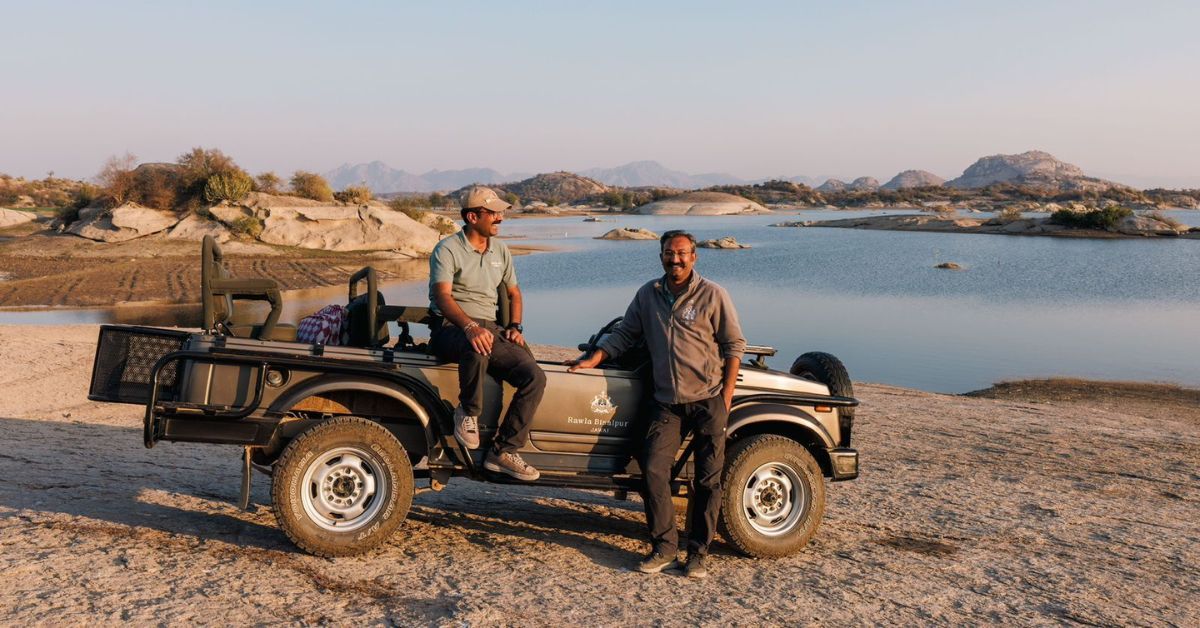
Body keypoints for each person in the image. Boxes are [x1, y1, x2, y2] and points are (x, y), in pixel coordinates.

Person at [567, 230, 745, 578]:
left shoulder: (713, 294)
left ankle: (697, 553)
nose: (674, 259)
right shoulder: (648, 294)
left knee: (707, 481)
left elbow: (733, 345)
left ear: (694, 256)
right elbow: (624, 334)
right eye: (668, 253)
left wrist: (725, 399)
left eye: (681, 253)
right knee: (653, 471)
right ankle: (664, 547)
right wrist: (593, 359)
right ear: (661, 256)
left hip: (708, 400)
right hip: (666, 402)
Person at [428, 186, 545, 481]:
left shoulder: (501, 250)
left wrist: (515, 327)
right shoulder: (447, 249)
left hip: (489, 329)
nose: (500, 217)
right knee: (477, 343)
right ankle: (467, 412)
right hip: (450, 327)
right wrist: (469, 326)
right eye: (493, 212)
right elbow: (442, 297)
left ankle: (503, 451)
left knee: (534, 375)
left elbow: (514, 293)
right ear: (472, 216)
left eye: (500, 212)